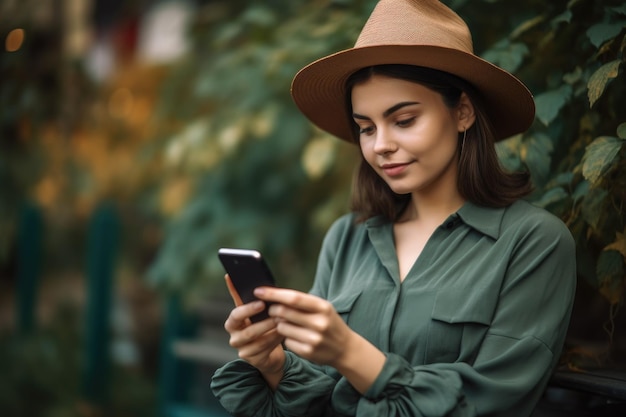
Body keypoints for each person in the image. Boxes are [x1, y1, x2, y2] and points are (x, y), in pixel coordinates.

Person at [210, 0, 576, 416]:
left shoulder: (533, 243)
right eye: (366, 128)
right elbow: (314, 399)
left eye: (403, 120)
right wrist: (275, 364)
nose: (380, 144)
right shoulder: (347, 238)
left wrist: (349, 353)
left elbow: (491, 401)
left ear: (462, 111)